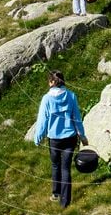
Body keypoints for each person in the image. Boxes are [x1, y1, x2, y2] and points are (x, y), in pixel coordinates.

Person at [33, 71, 88, 208]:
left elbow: (42, 120)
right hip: (70, 138)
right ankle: (65, 202)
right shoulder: (71, 96)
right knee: (66, 168)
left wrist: (38, 137)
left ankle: (55, 193)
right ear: (62, 81)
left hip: (55, 139)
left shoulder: (46, 99)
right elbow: (77, 119)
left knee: (55, 165)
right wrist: (83, 136)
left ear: (52, 82)